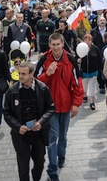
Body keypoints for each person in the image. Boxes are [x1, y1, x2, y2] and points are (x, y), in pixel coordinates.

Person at [35, 33, 84, 181]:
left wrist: (76, 103)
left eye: (58, 44)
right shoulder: (44, 59)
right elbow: (36, 82)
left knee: (63, 136)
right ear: (49, 45)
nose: (56, 47)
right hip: (50, 107)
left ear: (63, 44)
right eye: (53, 44)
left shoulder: (70, 59)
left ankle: (61, 156)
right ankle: (53, 170)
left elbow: (77, 83)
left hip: (66, 105)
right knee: (53, 137)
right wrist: (47, 74)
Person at [3, 61, 55, 181]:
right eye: (19, 73)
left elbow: (51, 108)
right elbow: (6, 112)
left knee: (39, 163)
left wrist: (41, 123)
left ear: (31, 74)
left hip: (38, 134)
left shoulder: (42, 89)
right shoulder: (12, 91)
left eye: (24, 74)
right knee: (23, 165)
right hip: (21, 135)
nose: (20, 76)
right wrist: (17, 127)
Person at [78, 34, 102, 110]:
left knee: (92, 86)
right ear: (83, 41)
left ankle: (92, 101)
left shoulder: (95, 48)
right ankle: (84, 95)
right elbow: (76, 57)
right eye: (86, 40)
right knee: (84, 87)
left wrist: (100, 69)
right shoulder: (80, 48)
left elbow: (99, 59)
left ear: (91, 41)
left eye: (89, 40)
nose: (88, 42)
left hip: (94, 71)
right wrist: (78, 60)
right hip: (84, 71)